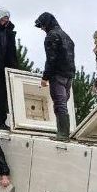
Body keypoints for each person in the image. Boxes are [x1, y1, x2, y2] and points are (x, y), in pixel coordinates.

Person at [34, 12, 75, 140]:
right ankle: (63, 133)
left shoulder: (51, 36)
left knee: (59, 104)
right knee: (63, 102)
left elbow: (51, 59)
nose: (41, 29)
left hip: (57, 74)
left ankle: (63, 134)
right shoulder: (66, 36)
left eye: (42, 26)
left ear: (46, 24)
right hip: (69, 74)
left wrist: (45, 77)